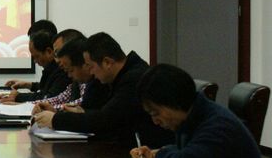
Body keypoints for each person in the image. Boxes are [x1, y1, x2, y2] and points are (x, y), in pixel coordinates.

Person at [130, 64, 270, 158]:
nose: (155, 121)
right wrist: (162, 152)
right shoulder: (195, 117)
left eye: (155, 113)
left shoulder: (218, 126)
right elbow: (189, 153)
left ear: (173, 101)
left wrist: (160, 155)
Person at [38, 32, 172, 148]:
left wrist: (56, 119)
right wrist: (82, 113)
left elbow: (106, 120)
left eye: (91, 66)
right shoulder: (120, 77)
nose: (91, 72)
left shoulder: (134, 79)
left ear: (107, 62)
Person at [33, 36, 110, 117]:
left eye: (70, 70)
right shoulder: (81, 80)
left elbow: (81, 107)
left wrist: (56, 116)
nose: (57, 59)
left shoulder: (98, 82)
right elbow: (62, 98)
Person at [0, 30, 71, 103]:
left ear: (49, 51)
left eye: (36, 56)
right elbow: (47, 89)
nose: (35, 61)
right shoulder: (51, 69)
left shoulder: (62, 70)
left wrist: (18, 96)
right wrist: (27, 85)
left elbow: (49, 97)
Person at [31, 29, 87, 111]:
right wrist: (33, 105)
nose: (57, 60)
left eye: (59, 53)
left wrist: (52, 110)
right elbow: (61, 98)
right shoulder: (74, 75)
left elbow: (82, 103)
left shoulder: (89, 76)